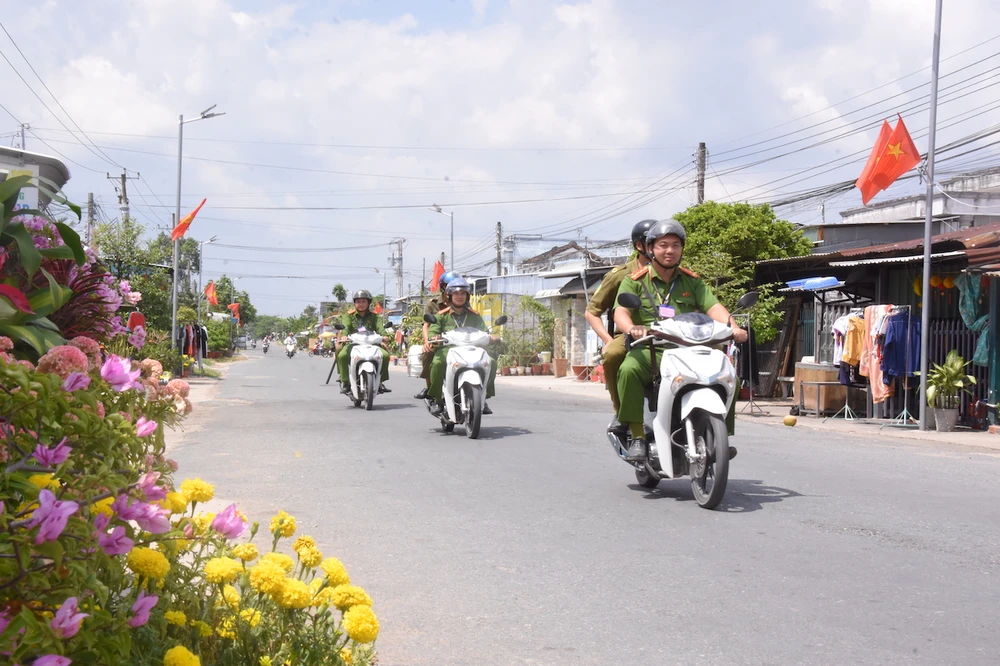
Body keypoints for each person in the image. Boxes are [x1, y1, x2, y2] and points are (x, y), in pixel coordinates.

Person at [613, 219, 747, 463]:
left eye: (675, 245)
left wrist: (734, 328)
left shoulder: (691, 281)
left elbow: (713, 306)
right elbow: (620, 311)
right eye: (663, 245)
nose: (670, 251)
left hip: (688, 349)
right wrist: (632, 328)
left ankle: (721, 437)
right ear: (649, 248)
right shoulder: (635, 280)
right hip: (653, 350)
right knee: (628, 369)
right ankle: (638, 436)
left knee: (728, 375)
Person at [584, 219, 655, 435]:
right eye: (652, 242)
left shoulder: (675, 273)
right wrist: (607, 341)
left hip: (668, 334)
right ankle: (621, 411)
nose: (658, 247)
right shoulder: (620, 275)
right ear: (639, 246)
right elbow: (591, 311)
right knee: (614, 354)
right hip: (629, 336)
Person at [425, 277, 498, 416]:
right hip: (448, 349)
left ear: (467, 296)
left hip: (472, 350)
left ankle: (483, 397)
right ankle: (437, 399)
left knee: (491, 362)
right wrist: (434, 337)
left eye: (463, 294)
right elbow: (433, 331)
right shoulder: (441, 316)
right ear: (449, 296)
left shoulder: (475, 316)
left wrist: (492, 337)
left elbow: (484, 332)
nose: (459, 297)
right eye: (456, 294)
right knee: (438, 363)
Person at [336, 290, 391, 394]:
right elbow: (345, 327)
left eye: (363, 301)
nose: (361, 304)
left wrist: (385, 336)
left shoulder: (374, 316)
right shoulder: (348, 316)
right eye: (358, 302)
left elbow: (380, 328)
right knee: (342, 355)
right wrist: (344, 336)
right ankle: (345, 381)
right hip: (353, 343)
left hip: (371, 343)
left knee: (385, 355)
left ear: (368, 303)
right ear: (354, 303)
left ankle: (380, 382)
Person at [414, 270, 458, 399]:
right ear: (443, 287)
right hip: (438, 339)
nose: (455, 290)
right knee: (428, 353)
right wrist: (428, 341)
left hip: (458, 340)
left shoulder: (462, 303)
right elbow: (426, 325)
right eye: (450, 285)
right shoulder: (432, 304)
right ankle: (430, 387)